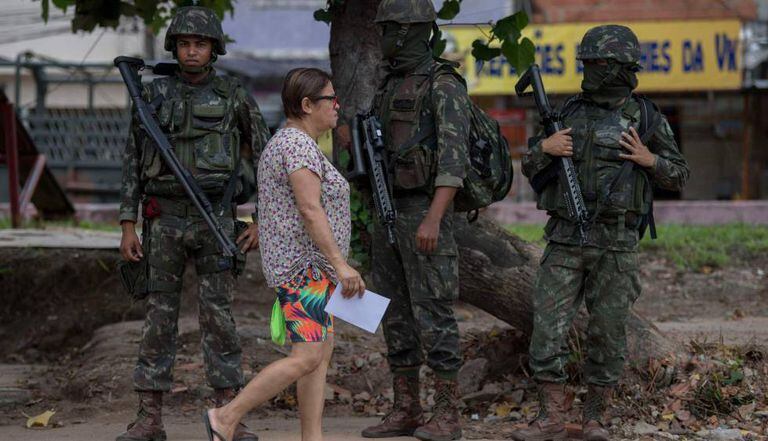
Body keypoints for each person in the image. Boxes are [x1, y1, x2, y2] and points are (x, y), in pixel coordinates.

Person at [511, 25, 690, 441]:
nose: (589, 70)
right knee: (547, 330)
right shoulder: (567, 113)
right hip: (564, 240)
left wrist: (649, 159)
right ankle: (550, 418)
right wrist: (544, 150)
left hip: (616, 243)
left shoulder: (646, 118)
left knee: (607, 334)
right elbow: (530, 166)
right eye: (586, 62)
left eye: (598, 63)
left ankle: (596, 418)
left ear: (621, 67)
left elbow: (680, 174)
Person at [116, 6, 269, 441]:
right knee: (158, 317)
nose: (191, 51)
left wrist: (261, 219)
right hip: (162, 220)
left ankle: (229, 415)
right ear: (174, 47)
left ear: (213, 49)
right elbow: (132, 160)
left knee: (219, 317)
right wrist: (127, 223)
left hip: (215, 220)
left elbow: (267, 157)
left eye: (200, 44)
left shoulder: (233, 95)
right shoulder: (151, 95)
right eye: (184, 43)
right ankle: (149, 419)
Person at [202, 67, 364, 441]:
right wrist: (340, 265)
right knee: (307, 356)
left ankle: (312, 437)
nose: (337, 106)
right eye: (331, 99)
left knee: (319, 355)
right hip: (305, 270)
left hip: (313, 270)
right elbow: (310, 209)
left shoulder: (294, 143)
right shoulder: (296, 147)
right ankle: (225, 417)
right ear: (307, 105)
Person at [360, 1, 472, 440]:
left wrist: (434, 218)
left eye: (387, 30)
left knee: (434, 313)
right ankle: (406, 407)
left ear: (407, 31)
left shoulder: (443, 84)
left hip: (424, 212)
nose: (382, 38)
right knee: (393, 313)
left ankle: (447, 415)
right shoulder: (389, 84)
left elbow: (454, 161)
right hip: (388, 212)